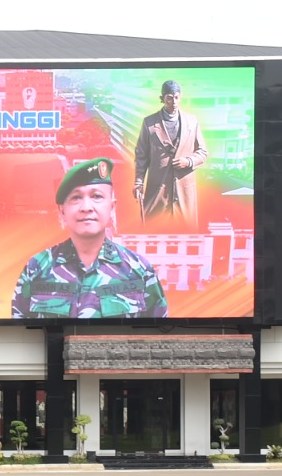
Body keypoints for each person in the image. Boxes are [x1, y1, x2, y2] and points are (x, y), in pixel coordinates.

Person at [12, 157, 169, 319]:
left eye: (97, 196)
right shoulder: (37, 267)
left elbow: (157, 333)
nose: (86, 208)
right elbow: (20, 331)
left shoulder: (139, 269)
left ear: (112, 207)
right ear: (62, 211)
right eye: (76, 198)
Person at [134, 80, 208, 228]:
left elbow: (203, 152)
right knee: (152, 230)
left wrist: (189, 161)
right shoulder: (149, 123)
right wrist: (138, 182)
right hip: (158, 187)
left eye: (176, 97)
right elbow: (141, 155)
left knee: (187, 234)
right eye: (169, 97)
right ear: (162, 99)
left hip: (184, 188)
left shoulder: (192, 122)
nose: (173, 101)